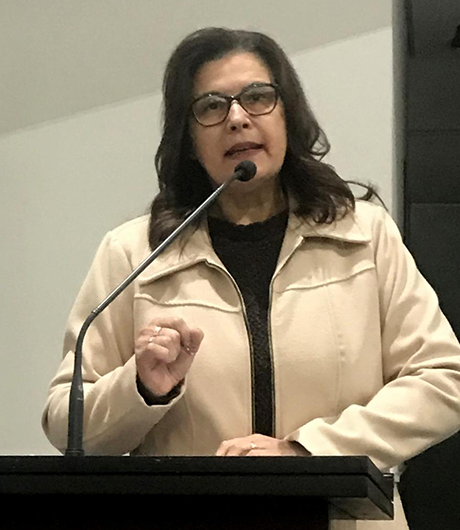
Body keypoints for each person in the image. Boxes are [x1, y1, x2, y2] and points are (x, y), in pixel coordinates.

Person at [42, 27, 460, 528]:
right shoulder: (135, 253)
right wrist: (141, 388)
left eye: (258, 97)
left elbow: (444, 380)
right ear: (188, 138)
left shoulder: (365, 235)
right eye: (211, 106)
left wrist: (308, 452)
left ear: (288, 115)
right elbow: (67, 424)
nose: (237, 118)